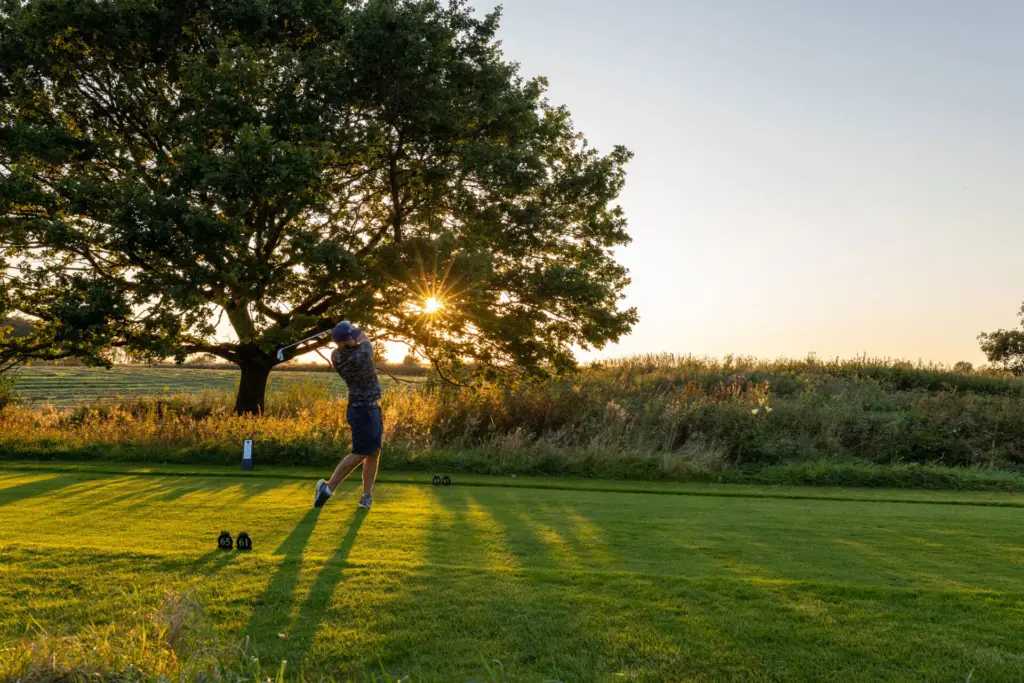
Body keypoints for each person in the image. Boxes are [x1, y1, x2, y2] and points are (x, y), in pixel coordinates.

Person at [314, 321, 383, 511]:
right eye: (350, 336)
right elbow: (364, 338)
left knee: (374, 452)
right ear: (344, 342)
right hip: (361, 410)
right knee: (361, 452)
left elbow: (353, 339)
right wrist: (352, 328)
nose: (355, 338)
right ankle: (327, 488)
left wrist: (343, 329)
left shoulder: (335, 355)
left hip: (371, 408)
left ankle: (366, 496)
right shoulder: (363, 353)